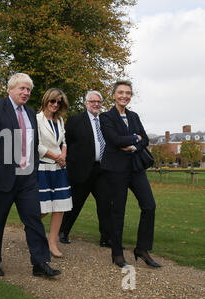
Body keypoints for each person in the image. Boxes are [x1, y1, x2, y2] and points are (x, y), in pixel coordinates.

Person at [0, 73, 60, 278]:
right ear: (10, 89)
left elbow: (33, 143)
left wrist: (34, 166)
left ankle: (40, 263)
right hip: (1, 176)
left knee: (33, 220)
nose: (26, 92)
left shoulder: (30, 113)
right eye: (22, 88)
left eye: (28, 89)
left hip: (27, 177)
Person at [100, 80, 161, 268]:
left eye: (127, 93)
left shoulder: (134, 116)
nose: (124, 96)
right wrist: (135, 138)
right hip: (116, 169)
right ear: (113, 95)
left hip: (135, 167)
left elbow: (145, 140)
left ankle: (142, 249)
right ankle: (117, 253)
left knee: (149, 206)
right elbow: (115, 139)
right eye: (120, 92)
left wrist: (133, 143)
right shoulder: (106, 117)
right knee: (118, 211)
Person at [59, 91, 113, 248]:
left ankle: (106, 238)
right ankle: (63, 232)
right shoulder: (76, 120)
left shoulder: (105, 121)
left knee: (105, 204)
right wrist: (66, 162)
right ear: (86, 103)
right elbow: (65, 143)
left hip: (101, 169)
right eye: (92, 101)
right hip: (81, 170)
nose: (96, 104)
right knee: (75, 203)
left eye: (99, 101)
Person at [36, 88, 73, 258]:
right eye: (53, 101)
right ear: (46, 101)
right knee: (43, 207)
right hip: (43, 167)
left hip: (59, 168)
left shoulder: (60, 121)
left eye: (59, 102)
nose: (55, 105)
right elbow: (36, 145)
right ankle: (31, 227)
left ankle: (52, 242)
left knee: (60, 206)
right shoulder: (36, 119)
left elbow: (63, 141)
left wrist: (63, 155)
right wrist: (55, 156)